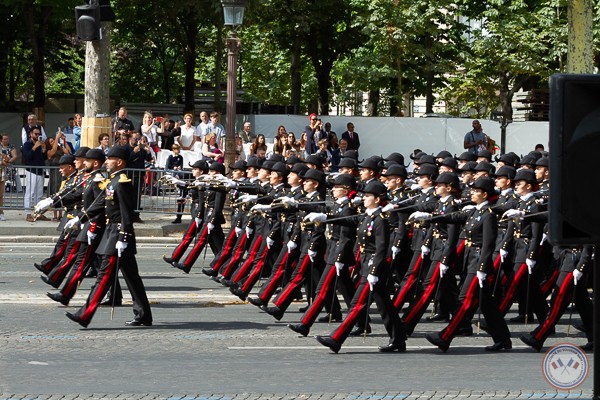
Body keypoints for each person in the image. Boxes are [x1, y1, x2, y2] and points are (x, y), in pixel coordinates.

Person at [313, 180, 407, 353]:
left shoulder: (380, 221)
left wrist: (373, 272)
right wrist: (326, 218)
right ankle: (398, 339)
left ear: (378, 200)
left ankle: (336, 338)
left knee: (357, 303)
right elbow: (348, 220)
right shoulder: (366, 216)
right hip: (366, 264)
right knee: (385, 306)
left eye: (368, 196)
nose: (364, 198)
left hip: (374, 267)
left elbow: (381, 249)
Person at [65, 145, 153, 328]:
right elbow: (99, 204)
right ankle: (143, 314)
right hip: (113, 234)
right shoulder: (112, 181)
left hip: (117, 235)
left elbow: (126, 213)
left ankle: (85, 314)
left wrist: (124, 237)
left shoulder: (121, 182)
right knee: (132, 278)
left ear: (119, 162)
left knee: (104, 276)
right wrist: (80, 218)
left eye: (109, 159)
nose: (106, 162)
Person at [46, 131, 72, 222]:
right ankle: (55, 215)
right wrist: (56, 138)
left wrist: (63, 141)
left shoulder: (60, 150)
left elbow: (68, 152)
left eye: (54, 140)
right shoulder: (49, 152)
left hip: (62, 175)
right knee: (54, 193)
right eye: (51, 142)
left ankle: (61, 214)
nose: (54, 142)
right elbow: (52, 152)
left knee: (62, 193)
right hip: (54, 175)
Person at [22, 126, 47, 222]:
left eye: (39, 134)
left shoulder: (40, 144)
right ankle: (28, 213)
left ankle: (38, 213)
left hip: (40, 170)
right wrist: (34, 147)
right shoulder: (27, 144)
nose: (37, 136)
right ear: (30, 134)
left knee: (39, 194)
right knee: (30, 192)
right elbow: (27, 157)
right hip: (31, 170)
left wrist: (44, 150)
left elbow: (43, 158)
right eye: (35, 134)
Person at [0, 134, 18, 220]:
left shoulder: (10, 147)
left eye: (6, 139)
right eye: (3, 139)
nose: (4, 140)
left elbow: (10, 157)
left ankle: (1, 213)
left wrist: (6, 161)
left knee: (0, 194)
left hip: (2, 172)